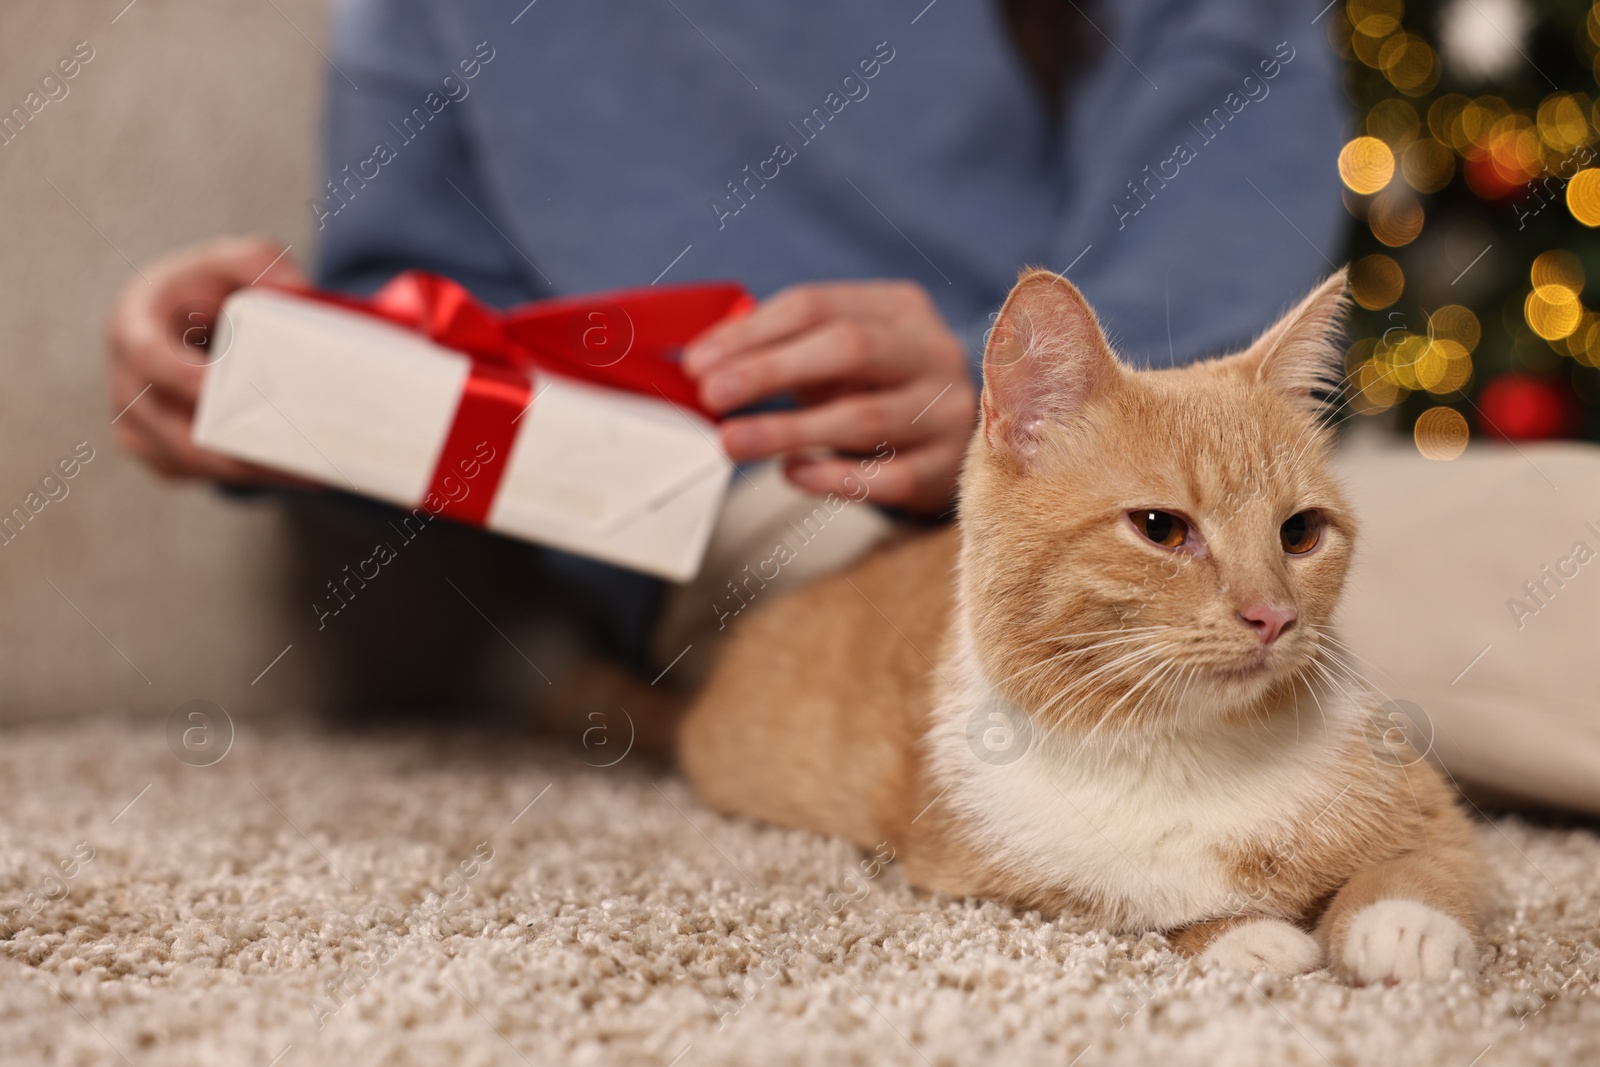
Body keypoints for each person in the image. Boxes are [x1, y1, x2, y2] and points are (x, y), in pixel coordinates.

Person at [105, 0, 1345, 714]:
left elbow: (1233, 204)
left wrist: (1007, 399)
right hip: (767, 500)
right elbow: (457, 354)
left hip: (1163, 448)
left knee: (1304, 595)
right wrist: (274, 376)